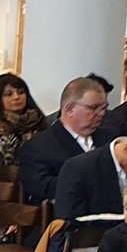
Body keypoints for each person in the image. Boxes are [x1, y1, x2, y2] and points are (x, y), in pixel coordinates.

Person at [18, 75, 111, 204]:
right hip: (67, 212)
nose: (102, 113)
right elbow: (42, 188)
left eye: (104, 107)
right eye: (94, 108)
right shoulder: (37, 148)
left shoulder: (109, 140)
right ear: (70, 109)